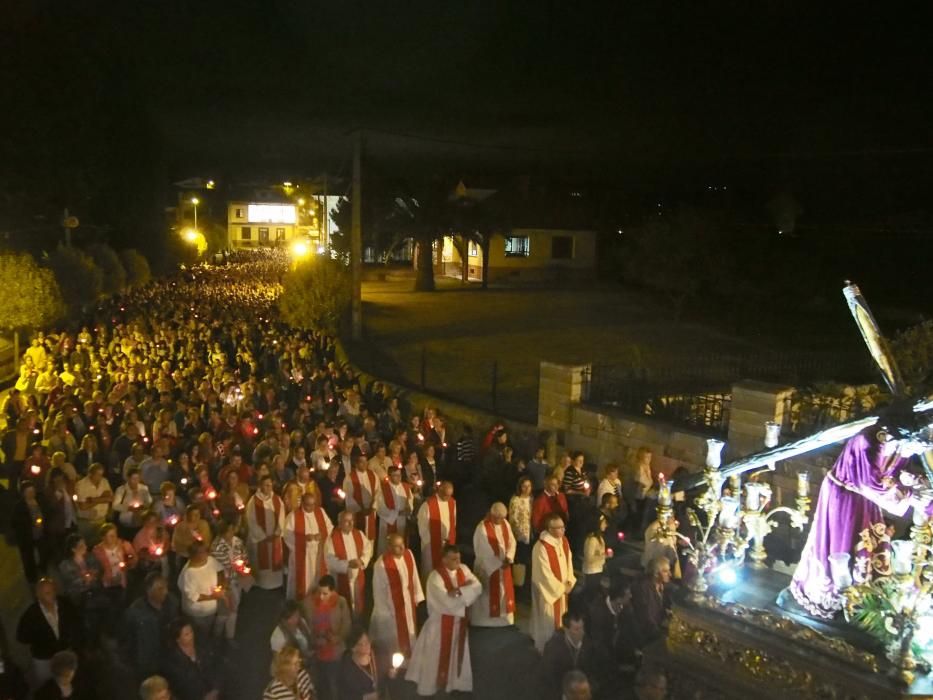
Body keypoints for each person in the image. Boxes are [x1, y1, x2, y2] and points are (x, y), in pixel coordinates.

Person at [790, 425, 932, 618]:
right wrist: (909, 496)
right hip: (845, 497)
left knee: (870, 542)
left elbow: (892, 473)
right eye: (913, 448)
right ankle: (839, 593)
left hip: (867, 500)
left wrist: (911, 482)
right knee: (844, 542)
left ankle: (865, 593)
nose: (911, 452)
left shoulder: (898, 442)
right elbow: (869, 483)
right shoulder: (869, 441)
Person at [406, 544, 482, 696]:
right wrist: (467, 591)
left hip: (458, 624)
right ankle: (429, 687)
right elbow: (447, 603)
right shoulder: (435, 577)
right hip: (439, 625)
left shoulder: (464, 569)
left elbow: (478, 587)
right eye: (453, 559)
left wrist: (459, 590)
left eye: (458, 558)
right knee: (433, 659)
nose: (457, 562)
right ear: (444, 560)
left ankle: (453, 684)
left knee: (455, 657)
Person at [370, 533, 424, 667]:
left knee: (410, 634)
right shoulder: (381, 565)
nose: (401, 549)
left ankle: (411, 664)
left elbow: (414, 576)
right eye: (397, 546)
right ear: (389, 547)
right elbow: (378, 591)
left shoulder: (408, 555)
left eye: (402, 545)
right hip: (391, 609)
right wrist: (386, 613)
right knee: (394, 640)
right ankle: (397, 667)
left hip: (407, 605)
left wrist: (417, 596)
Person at [16, 579, 80, 687]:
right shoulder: (31, 614)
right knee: (47, 686)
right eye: (47, 593)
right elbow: (21, 636)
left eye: (53, 591)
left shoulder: (64, 604)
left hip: (64, 653)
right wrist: (39, 639)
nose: (52, 595)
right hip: (44, 658)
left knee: (69, 684)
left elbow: (75, 621)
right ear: (39, 596)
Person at [121, 573, 180, 682]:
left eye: (166, 587)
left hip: (168, 656)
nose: (165, 592)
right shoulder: (136, 612)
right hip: (147, 662)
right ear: (148, 590)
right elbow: (128, 637)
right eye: (160, 589)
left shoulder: (172, 602)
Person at [531, 514, 576, 652]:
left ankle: (560, 650)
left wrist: (569, 582)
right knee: (548, 622)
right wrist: (561, 588)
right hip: (549, 594)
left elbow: (569, 563)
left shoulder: (564, 541)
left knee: (562, 620)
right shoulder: (541, 546)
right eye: (559, 528)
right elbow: (544, 573)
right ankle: (546, 650)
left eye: (563, 527)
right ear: (550, 529)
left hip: (563, 591)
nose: (563, 531)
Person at [303, 575, 351, 700]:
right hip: (316, 652)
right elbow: (305, 626)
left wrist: (338, 638)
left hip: (334, 653)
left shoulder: (341, 602)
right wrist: (314, 639)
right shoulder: (309, 602)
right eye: (319, 592)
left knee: (333, 683)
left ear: (333, 591)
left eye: (325, 593)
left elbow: (346, 624)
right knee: (315, 685)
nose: (321, 596)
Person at [471, 502, 516, 627]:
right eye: (498, 518)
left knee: (504, 592)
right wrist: (498, 563)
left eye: (502, 518)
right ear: (492, 514)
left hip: (504, 564)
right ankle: (485, 621)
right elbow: (483, 550)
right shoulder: (482, 527)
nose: (500, 520)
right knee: (488, 594)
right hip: (489, 566)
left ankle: (504, 619)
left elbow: (512, 541)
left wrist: (508, 557)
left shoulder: (506, 524)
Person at [284, 491, 333, 600]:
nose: (311, 507)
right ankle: (299, 601)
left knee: (316, 578)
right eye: (308, 505)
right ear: (302, 503)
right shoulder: (293, 515)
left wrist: (322, 535)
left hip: (318, 554)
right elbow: (287, 535)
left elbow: (330, 527)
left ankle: (316, 600)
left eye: (313, 504)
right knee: (302, 580)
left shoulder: (320, 512)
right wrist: (305, 538)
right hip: (302, 555)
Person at [324, 511, 372, 617]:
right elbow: (329, 560)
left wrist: (362, 560)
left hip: (357, 577)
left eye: (352, 520)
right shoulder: (332, 538)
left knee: (358, 604)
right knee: (344, 607)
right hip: (342, 578)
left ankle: (358, 621)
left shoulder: (359, 534)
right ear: (340, 523)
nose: (350, 524)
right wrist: (347, 565)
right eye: (347, 521)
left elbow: (368, 548)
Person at [539, 612, 597, 700]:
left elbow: (594, 670)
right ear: (566, 630)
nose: (582, 633)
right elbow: (548, 678)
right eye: (577, 629)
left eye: (582, 628)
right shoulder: (553, 648)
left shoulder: (588, 644)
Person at [209, 518, 249, 644]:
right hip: (224, 583)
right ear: (222, 532)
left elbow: (244, 555)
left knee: (234, 609)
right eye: (229, 531)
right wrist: (236, 568)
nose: (232, 533)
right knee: (224, 612)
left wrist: (243, 565)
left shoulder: (237, 542)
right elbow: (221, 567)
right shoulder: (216, 547)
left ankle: (229, 636)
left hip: (237, 580)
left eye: (233, 530)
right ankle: (216, 636)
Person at [177, 540, 225, 640]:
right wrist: (214, 596)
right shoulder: (188, 573)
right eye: (204, 551)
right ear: (195, 555)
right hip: (197, 614)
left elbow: (220, 571)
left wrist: (221, 585)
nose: (208, 553)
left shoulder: (210, 560)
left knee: (209, 631)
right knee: (200, 636)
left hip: (211, 609)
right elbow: (194, 596)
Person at [162, 619, 220, 700]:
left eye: (191, 631)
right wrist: (203, 697)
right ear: (178, 639)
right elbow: (183, 688)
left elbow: (214, 669)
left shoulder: (201, 648)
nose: (191, 636)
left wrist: (215, 689)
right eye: (186, 634)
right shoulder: (172, 661)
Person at [246, 474, 286, 590]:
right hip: (261, 539)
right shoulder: (254, 501)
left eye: (270, 485)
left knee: (275, 560)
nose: (269, 487)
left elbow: (282, 517)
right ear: (260, 486)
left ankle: (277, 583)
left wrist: (277, 532)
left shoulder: (277, 499)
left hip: (274, 538)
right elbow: (251, 520)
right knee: (262, 561)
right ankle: (262, 583)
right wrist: (263, 536)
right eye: (266, 485)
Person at [416, 481, 457, 576]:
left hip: (447, 542)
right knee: (430, 571)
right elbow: (422, 527)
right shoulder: (428, 505)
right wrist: (431, 542)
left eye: (450, 495)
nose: (448, 498)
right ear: (439, 490)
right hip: (431, 545)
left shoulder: (452, 502)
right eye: (446, 495)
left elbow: (453, 521)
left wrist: (449, 536)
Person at [11, 480, 48, 585]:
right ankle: (32, 579)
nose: (31, 494)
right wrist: (32, 524)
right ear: (23, 493)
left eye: (32, 491)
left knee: (43, 553)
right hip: (28, 537)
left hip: (41, 534)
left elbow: (47, 511)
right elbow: (16, 523)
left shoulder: (39, 500)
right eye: (28, 492)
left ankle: (43, 570)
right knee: (29, 558)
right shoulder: (19, 507)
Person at [632, 556, 672, 644]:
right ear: (655, 573)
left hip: (657, 630)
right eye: (665, 571)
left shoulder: (662, 587)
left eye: (669, 570)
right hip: (645, 637)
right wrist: (660, 636)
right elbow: (645, 618)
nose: (670, 574)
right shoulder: (643, 588)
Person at [374, 466, 413, 555]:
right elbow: (380, 507)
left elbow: (410, 501)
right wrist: (397, 513)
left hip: (402, 521)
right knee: (386, 544)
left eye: (399, 475)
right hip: (387, 521)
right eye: (395, 475)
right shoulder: (383, 488)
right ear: (389, 476)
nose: (398, 477)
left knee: (399, 541)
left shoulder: (406, 487)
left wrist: (409, 509)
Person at [74, 463, 112, 546]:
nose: (100, 477)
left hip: (101, 521)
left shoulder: (104, 482)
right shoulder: (81, 485)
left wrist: (93, 499)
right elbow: (83, 506)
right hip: (86, 523)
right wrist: (102, 499)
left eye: (101, 474)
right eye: (98, 475)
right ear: (90, 474)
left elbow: (110, 498)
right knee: (85, 545)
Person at [343, 455, 378, 543]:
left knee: (370, 538)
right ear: (356, 464)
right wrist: (361, 509)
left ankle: (370, 556)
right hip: (357, 512)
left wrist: (373, 507)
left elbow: (378, 492)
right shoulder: (350, 477)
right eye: (362, 462)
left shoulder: (373, 475)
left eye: (366, 462)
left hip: (371, 512)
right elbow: (348, 496)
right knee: (358, 538)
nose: (364, 464)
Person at [270, 601, 315, 668]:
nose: (297, 618)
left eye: (297, 614)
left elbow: (309, 639)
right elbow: (278, 661)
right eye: (293, 616)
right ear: (284, 619)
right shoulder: (278, 637)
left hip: (306, 665)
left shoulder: (302, 623)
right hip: (290, 670)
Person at [337, 628, 379, 700]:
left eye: (368, 642)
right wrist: (366, 697)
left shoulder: (376, 657)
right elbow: (345, 695)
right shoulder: (346, 669)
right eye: (363, 643)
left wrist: (391, 675)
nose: (367, 645)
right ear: (353, 648)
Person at [509, 476, 534, 595]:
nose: (526, 488)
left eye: (529, 486)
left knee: (528, 561)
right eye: (524, 486)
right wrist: (517, 533)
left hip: (531, 534)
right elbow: (513, 519)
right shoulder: (516, 500)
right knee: (520, 561)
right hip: (520, 535)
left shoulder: (531, 499)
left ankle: (526, 586)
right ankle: (518, 586)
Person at [582, 513, 610, 597]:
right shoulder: (592, 540)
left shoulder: (599, 537)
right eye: (604, 523)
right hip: (592, 572)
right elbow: (589, 559)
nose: (606, 525)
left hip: (597, 570)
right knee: (590, 593)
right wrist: (605, 556)